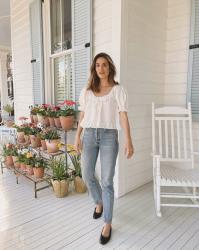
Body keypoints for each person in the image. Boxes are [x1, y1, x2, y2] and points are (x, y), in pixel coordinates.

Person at [74, 52, 134, 245]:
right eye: (98, 65)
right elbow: (83, 115)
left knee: (107, 181)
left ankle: (107, 223)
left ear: (110, 68)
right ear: (94, 68)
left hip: (109, 137)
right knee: (87, 174)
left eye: (105, 65)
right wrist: (77, 136)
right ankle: (98, 203)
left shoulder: (118, 90)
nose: (101, 68)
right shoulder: (87, 91)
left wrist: (129, 141)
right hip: (90, 135)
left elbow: (123, 116)